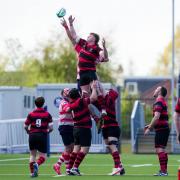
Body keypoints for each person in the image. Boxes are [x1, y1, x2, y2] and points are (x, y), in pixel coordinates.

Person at [60, 15, 109, 94]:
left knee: (97, 94)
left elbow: (105, 58)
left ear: (94, 39)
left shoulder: (96, 48)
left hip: (90, 73)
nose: (88, 36)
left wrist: (104, 47)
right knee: (85, 96)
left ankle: (103, 98)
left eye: (90, 35)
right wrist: (70, 25)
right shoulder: (83, 46)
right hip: (80, 76)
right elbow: (73, 37)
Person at [92, 80, 125, 176]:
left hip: (112, 126)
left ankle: (117, 167)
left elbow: (108, 93)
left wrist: (97, 86)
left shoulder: (111, 95)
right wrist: (95, 88)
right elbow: (93, 99)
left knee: (112, 146)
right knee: (109, 148)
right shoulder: (99, 99)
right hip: (105, 126)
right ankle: (120, 166)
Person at [64, 87, 97, 176]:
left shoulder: (72, 104)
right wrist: (94, 88)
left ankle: (68, 169)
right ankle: (75, 167)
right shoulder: (81, 101)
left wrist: (82, 97)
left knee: (76, 150)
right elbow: (93, 98)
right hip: (84, 128)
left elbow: (68, 109)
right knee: (84, 150)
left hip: (76, 128)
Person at [24, 96, 53, 177]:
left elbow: (25, 126)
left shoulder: (31, 114)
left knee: (32, 155)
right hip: (42, 135)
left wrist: (28, 131)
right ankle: (37, 164)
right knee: (43, 156)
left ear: (35, 104)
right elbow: (51, 128)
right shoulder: (47, 114)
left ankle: (32, 172)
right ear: (43, 103)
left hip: (32, 135)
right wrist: (47, 132)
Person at [144, 86, 170, 176]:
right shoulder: (162, 102)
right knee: (161, 149)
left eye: (156, 89)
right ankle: (164, 171)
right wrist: (151, 125)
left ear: (159, 91)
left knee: (159, 149)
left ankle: (163, 172)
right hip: (164, 128)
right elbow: (162, 117)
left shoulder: (158, 102)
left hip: (162, 129)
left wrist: (149, 128)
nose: (154, 90)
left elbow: (156, 117)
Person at [53, 88, 74, 175]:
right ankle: (61, 166)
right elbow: (67, 109)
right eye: (66, 92)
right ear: (63, 94)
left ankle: (65, 168)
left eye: (69, 92)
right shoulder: (64, 102)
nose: (68, 94)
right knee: (69, 148)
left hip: (69, 126)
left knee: (70, 148)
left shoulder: (69, 102)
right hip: (65, 127)